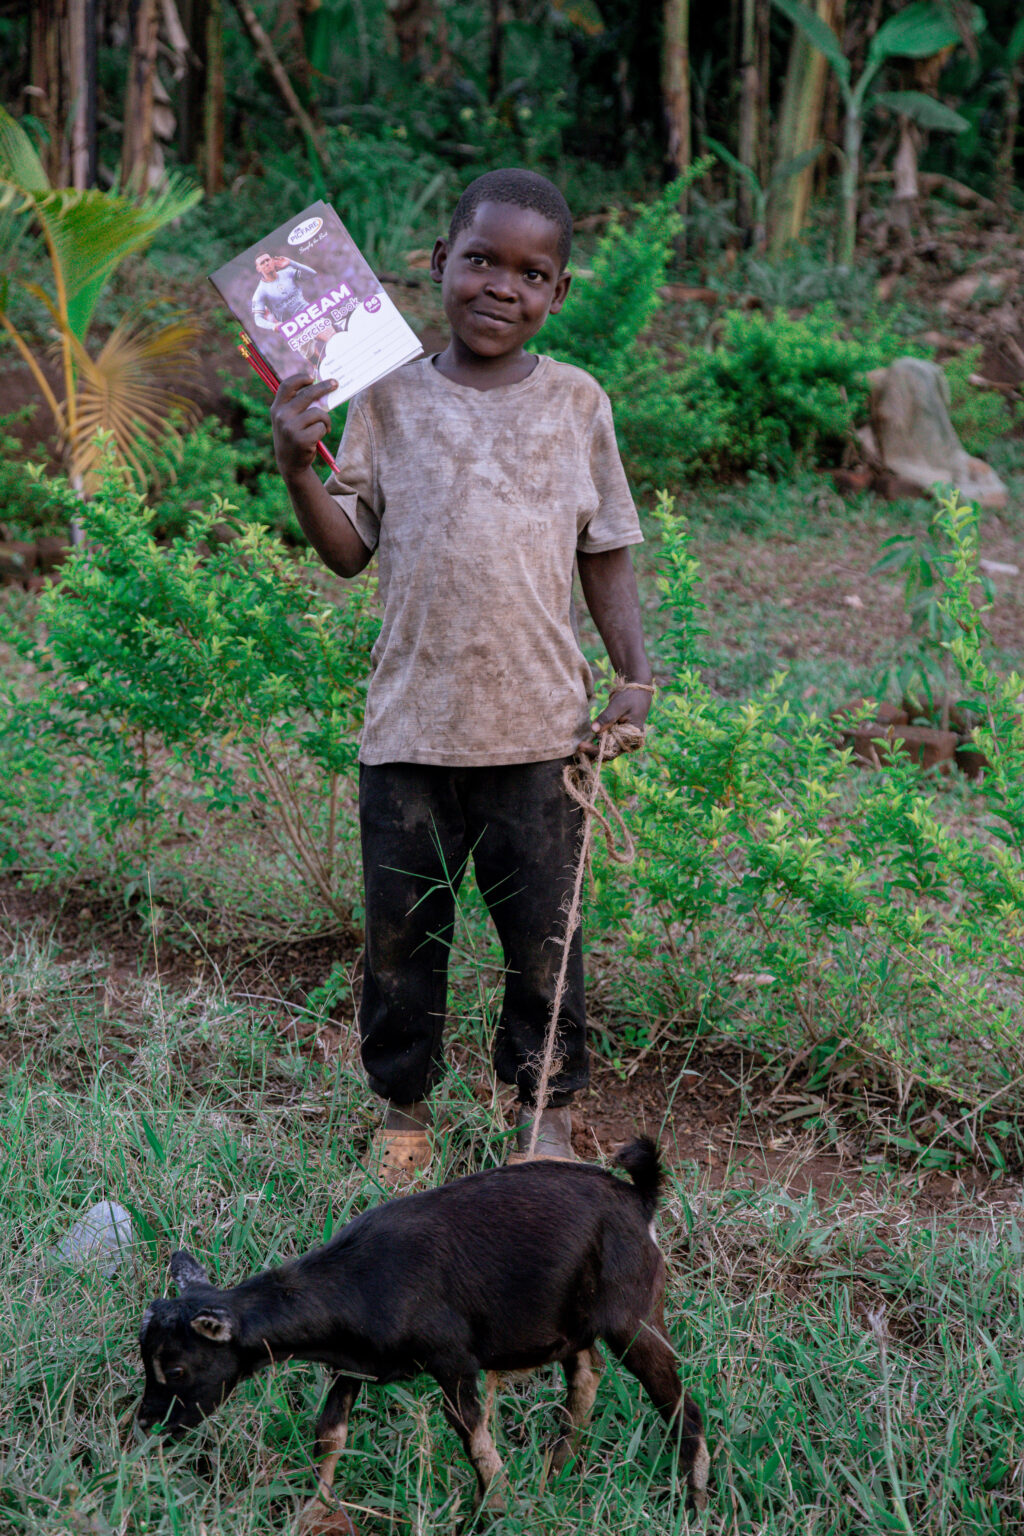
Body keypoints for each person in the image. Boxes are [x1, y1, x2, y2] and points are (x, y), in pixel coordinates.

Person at [270, 168, 653, 1174]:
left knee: (545, 944)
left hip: (539, 734)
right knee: (402, 943)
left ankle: (547, 1116)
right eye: (480, 259)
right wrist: (296, 466)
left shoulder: (576, 403)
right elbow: (348, 551)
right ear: (439, 264)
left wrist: (635, 679)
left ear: (556, 295)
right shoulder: (387, 398)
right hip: (409, 733)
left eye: (531, 273)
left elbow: (605, 545)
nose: (500, 286)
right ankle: (402, 1109)